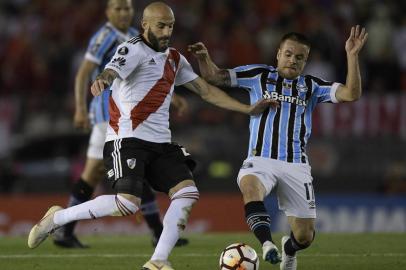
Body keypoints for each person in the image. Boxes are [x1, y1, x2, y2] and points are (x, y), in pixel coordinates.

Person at [27, 2, 275, 269]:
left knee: (187, 193)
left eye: (170, 26)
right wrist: (104, 78)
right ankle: (58, 218)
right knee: (127, 204)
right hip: (127, 140)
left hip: (161, 144)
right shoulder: (132, 49)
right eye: (161, 25)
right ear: (145, 25)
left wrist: (247, 108)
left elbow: (205, 90)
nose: (167, 31)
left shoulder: (175, 58)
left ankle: (158, 261)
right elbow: (112, 70)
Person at [189, 25, 368, 270]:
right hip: (260, 158)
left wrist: (352, 55)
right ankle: (267, 245)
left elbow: (351, 94)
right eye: (288, 54)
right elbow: (215, 76)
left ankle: (289, 248)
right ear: (278, 54)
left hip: (296, 164)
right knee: (251, 189)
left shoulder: (312, 86)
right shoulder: (258, 75)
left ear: (305, 61)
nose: (292, 60)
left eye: (299, 57)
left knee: (304, 237)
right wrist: (203, 58)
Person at [54, 0, 188, 249]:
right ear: (108, 12)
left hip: (125, 115)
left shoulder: (131, 37)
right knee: (109, 173)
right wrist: (81, 109)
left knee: (105, 173)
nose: (123, 13)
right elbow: (84, 72)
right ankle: (64, 227)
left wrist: (173, 96)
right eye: (118, 8)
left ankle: (65, 230)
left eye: (127, 8)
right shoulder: (106, 35)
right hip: (108, 115)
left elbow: (145, 76)